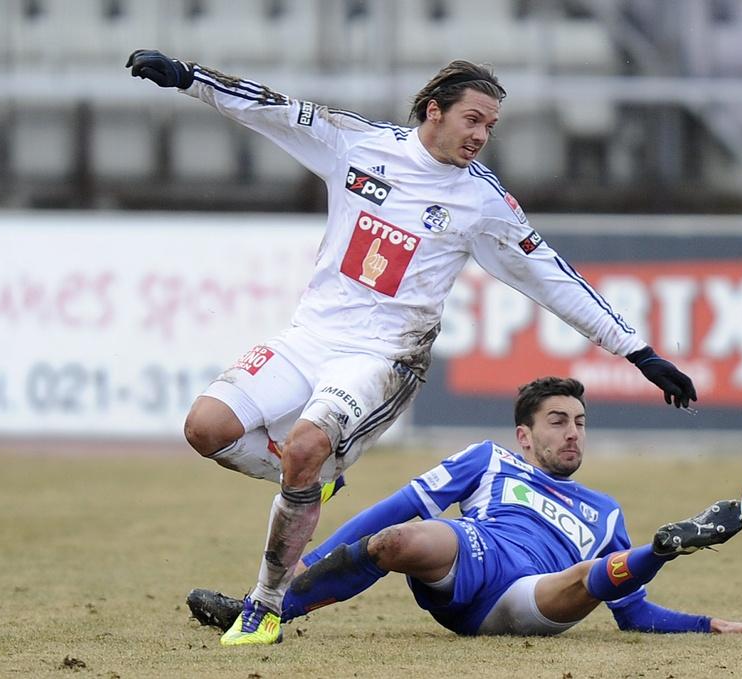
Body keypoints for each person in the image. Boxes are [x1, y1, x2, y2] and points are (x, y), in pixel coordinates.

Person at [126, 51, 698, 647]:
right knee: (206, 429)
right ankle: (313, 481)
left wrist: (637, 351)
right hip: (309, 336)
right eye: (473, 120)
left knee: (306, 446)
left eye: (490, 127)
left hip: (383, 357)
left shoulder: (482, 203)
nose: (481, 136)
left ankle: (266, 605)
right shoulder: (357, 145)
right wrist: (191, 79)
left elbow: (552, 277)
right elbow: (274, 111)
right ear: (434, 111)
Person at [189, 377, 742, 639]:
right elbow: (390, 510)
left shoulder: (604, 512)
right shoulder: (488, 461)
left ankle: (664, 547)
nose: (573, 433)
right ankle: (265, 613)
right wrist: (301, 567)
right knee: (401, 538)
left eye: (580, 423)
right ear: (525, 436)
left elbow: (631, 615)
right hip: (473, 562)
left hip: (539, 600)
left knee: (587, 576)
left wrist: (711, 625)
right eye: (558, 422)